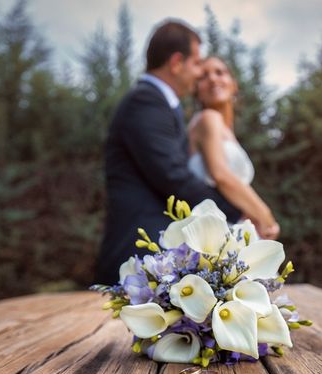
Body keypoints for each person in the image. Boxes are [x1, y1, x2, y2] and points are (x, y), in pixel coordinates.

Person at [95, 20, 241, 286]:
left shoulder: (161, 105)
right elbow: (173, 176)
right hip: (136, 255)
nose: (200, 74)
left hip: (162, 253)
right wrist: (234, 213)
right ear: (176, 62)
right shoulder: (146, 102)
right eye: (197, 63)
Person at [188, 56, 280, 239]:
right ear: (196, 90)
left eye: (220, 72)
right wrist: (266, 217)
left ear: (233, 84)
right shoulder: (208, 118)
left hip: (235, 225)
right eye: (204, 76)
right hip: (217, 232)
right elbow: (221, 175)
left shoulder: (225, 129)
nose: (213, 79)